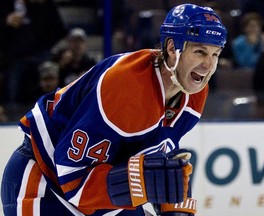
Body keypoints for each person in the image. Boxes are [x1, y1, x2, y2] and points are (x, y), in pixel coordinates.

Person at [1, 4, 227, 216]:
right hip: (43, 180)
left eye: (215, 54)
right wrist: (142, 183)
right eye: (199, 51)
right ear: (172, 48)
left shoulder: (194, 91)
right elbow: (72, 178)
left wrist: (172, 200)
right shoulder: (124, 86)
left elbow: (154, 153)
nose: (208, 65)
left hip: (95, 194)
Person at [0, 0, 67, 106]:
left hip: (40, 52)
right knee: (13, 86)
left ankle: (50, 110)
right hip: (15, 56)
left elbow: (59, 30)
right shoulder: (5, 5)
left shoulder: (42, 4)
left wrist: (40, 6)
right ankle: (12, 113)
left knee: (47, 81)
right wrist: (6, 21)